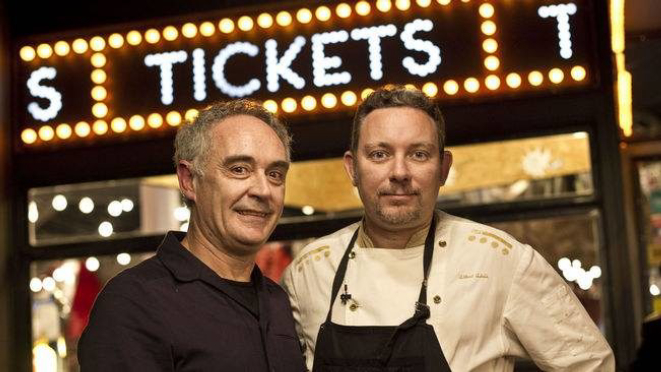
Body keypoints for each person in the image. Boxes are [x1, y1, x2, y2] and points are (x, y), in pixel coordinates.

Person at [281, 86, 615, 371]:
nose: (399, 172)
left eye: (418, 154)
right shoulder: (308, 271)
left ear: (443, 168)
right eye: (380, 154)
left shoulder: (500, 262)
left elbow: (591, 364)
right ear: (353, 168)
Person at [79, 100, 306, 372]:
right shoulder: (133, 303)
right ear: (189, 181)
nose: (263, 190)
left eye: (275, 174)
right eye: (239, 169)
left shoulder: (278, 301)